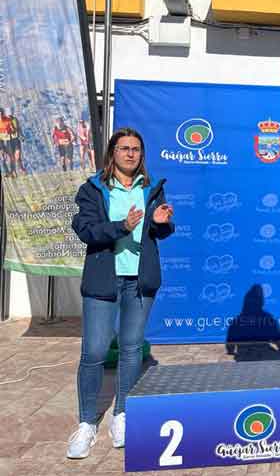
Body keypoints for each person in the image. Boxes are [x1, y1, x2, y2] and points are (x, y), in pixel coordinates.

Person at [67, 128, 174, 459]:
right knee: (95, 352)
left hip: (138, 283)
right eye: (124, 148)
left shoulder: (150, 187)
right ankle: (86, 423)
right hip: (103, 280)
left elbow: (163, 230)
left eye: (136, 149)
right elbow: (85, 230)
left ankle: (121, 415)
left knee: (130, 350)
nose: (131, 154)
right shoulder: (93, 189)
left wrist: (159, 223)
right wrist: (122, 227)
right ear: (112, 152)